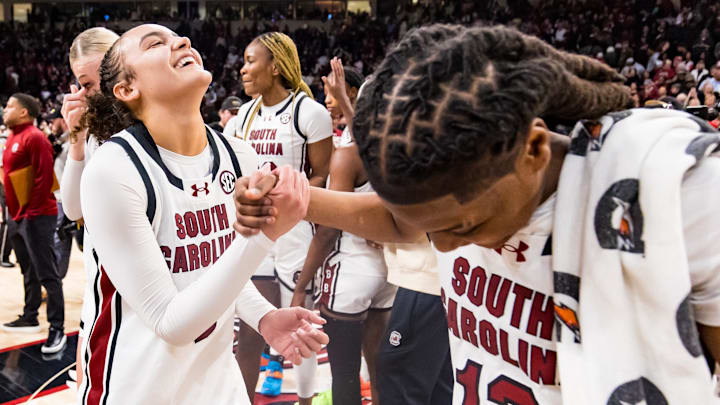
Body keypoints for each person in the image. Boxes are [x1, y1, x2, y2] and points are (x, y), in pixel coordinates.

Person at [234, 24, 720, 404]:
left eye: (460, 226)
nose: (442, 246)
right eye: (431, 228)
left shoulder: (681, 193)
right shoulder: (462, 188)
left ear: (532, 149)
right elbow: (399, 218)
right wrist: (292, 199)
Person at [77, 24, 328, 405]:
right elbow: (170, 323)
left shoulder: (236, 154)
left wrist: (263, 317)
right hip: (138, 388)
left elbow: (216, 265)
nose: (182, 41)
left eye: (177, 36)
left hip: (218, 385)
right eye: (155, 44)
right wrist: (262, 236)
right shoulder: (114, 169)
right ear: (128, 89)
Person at [223, 32, 333, 403]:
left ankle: (306, 399)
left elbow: (323, 175)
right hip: (256, 231)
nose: (243, 68)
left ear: (275, 65)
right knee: (252, 328)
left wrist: (289, 198)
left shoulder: (309, 112)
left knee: (300, 325)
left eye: (251, 60)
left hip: (297, 234)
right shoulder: (240, 119)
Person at [291, 58, 395, 405]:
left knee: (345, 375)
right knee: (379, 372)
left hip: (350, 269)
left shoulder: (347, 155)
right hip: (390, 269)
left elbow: (328, 230)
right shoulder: (391, 153)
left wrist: (302, 285)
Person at [60, 26, 120, 389]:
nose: (96, 90)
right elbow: (71, 209)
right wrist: (77, 144)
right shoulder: (93, 128)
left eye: (104, 76)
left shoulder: (158, 121)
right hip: (103, 286)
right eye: (85, 83)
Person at [1, 93, 66, 354]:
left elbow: (42, 177)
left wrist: (31, 213)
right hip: (18, 216)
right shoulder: (13, 137)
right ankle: (30, 315)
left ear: (24, 112)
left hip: (37, 215)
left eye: (10, 106)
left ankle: (57, 327)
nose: (5, 110)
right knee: (27, 269)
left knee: (46, 272)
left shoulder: (34, 137)